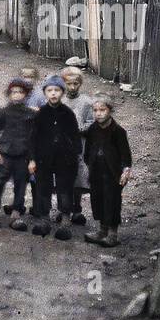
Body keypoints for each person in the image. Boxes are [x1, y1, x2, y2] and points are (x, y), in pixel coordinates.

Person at [28, 74, 81, 239]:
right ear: (45, 93)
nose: (53, 94)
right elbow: (32, 138)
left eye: (57, 90)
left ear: (62, 92)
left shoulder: (68, 114)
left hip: (64, 159)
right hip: (44, 159)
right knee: (44, 188)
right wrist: (32, 159)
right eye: (49, 90)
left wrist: (74, 155)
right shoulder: (40, 114)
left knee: (65, 189)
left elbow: (75, 136)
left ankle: (65, 220)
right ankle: (44, 220)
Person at [0, 79, 35, 229]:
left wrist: (32, 159)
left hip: (23, 156)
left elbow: (33, 138)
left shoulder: (31, 114)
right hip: (5, 154)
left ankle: (16, 213)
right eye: (14, 92)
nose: (17, 95)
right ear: (9, 94)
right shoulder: (4, 111)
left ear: (26, 94)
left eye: (20, 92)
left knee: (21, 184)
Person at [83, 98, 132, 247]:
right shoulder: (92, 129)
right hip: (96, 172)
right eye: (95, 110)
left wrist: (125, 170)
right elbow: (88, 148)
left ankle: (113, 234)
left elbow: (125, 155)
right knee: (98, 199)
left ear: (110, 111)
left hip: (112, 174)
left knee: (112, 202)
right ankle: (101, 231)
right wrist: (89, 163)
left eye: (102, 110)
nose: (98, 114)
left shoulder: (118, 131)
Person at [61, 65, 95, 225]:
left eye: (76, 83)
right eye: (69, 83)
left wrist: (81, 128)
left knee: (77, 178)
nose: (72, 87)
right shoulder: (59, 99)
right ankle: (64, 210)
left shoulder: (87, 102)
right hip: (61, 147)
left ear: (80, 83)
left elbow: (92, 122)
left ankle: (76, 209)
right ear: (63, 83)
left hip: (79, 146)